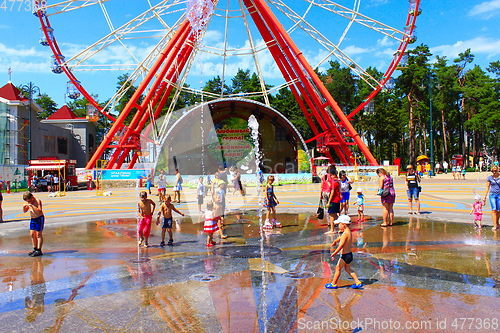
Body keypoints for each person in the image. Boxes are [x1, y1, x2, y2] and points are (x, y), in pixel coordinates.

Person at [325, 215, 363, 289]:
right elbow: (341, 237)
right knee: (348, 269)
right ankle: (357, 282)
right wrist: (335, 241)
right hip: (349, 255)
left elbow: (341, 245)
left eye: (339, 224)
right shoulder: (348, 232)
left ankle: (333, 284)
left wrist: (334, 253)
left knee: (337, 269)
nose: (338, 226)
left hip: (344, 256)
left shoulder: (345, 234)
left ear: (343, 225)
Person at [23, 192, 45, 257]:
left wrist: (32, 206)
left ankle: (39, 249)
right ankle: (34, 248)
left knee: (38, 234)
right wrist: (25, 207)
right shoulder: (29, 202)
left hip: (39, 218)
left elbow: (39, 211)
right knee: (32, 234)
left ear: (32, 197)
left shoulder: (37, 201)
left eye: (29, 201)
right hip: (33, 219)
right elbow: (25, 211)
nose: (29, 202)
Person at [483, 166, 500, 231]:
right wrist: (484, 197)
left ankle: (497, 222)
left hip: (499, 195)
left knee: (498, 210)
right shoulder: (490, 178)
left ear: (497, 170)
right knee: (494, 210)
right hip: (492, 195)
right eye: (492, 171)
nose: (494, 172)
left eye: (495, 171)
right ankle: (495, 225)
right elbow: (487, 187)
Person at [326, 167, 342, 234]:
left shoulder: (333, 182)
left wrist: (329, 202)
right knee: (335, 214)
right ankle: (342, 226)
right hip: (337, 200)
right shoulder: (338, 181)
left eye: (331, 175)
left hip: (333, 200)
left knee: (331, 215)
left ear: (334, 175)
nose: (331, 176)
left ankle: (332, 230)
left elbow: (332, 192)